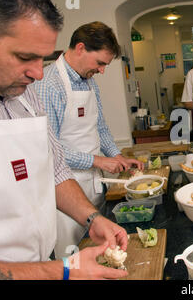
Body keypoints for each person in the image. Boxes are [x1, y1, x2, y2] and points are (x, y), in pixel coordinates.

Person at [0, 0, 128, 280]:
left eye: (41, 58)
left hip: (39, 259)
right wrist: (63, 271)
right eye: (24, 57)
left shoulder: (25, 95)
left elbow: (55, 168)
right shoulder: (46, 85)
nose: (38, 73)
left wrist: (93, 218)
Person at [31, 21, 143, 259]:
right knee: (74, 260)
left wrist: (115, 155)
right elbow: (49, 150)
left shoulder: (89, 81)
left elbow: (100, 126)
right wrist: (98, 161)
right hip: (65, 195)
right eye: (100, 63)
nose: (102, 70)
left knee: (101, 253)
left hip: (94, 185)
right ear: (80, 48)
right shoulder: (49, 84)